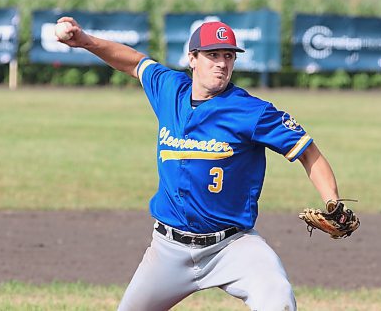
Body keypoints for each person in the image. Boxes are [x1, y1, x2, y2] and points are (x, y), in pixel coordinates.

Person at [57, 17, 342, 311]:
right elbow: (134, 63)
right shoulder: (169, 90)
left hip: (232, 246)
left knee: (277, 296)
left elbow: (308, 151)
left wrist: (332, 201)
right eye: (213, 55)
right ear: (192, 59)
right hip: (168, 249)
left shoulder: (252, 111)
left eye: (228, 56)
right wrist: (85, 41)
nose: (222, 63)